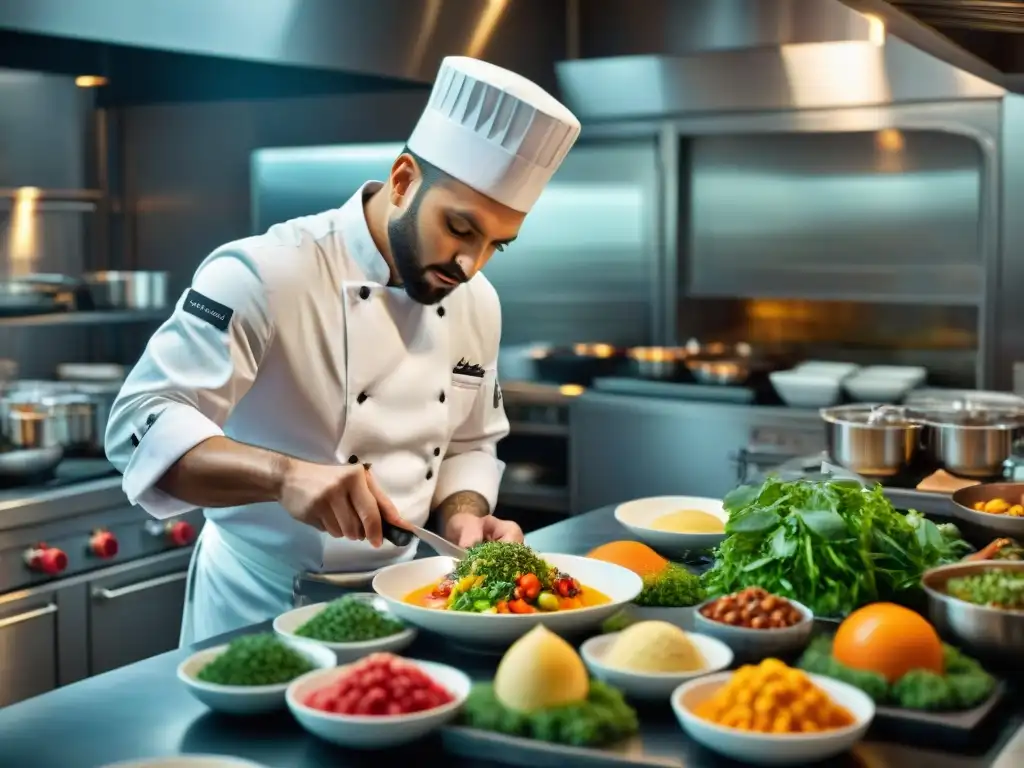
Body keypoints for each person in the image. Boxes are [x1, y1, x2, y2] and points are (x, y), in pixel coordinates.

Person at [104, 56, 581, 645]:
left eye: (496, 246)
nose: (470, 264)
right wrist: (283, 476)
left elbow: (470, 441)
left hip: (408, 602)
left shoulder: (478, 301)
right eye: (460, 229)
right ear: (404, 179)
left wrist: (462, 515)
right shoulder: (264, 273)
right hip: (260, 608)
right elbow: (139, 427)